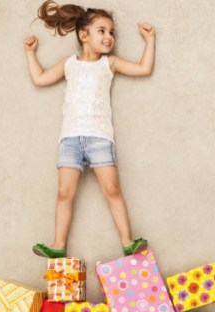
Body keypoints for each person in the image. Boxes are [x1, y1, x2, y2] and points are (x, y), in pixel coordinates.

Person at [24, 2, 155, 258]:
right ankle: (58, 246)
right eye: (102, 31)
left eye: (111, 33)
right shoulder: (69, 64)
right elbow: (40, 79)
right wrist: (30, 53)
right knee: (64, 193)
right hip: (70, 139)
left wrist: (149, 40)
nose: (109, 38)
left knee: (112, 189)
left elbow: (143, 68)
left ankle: (128, 241)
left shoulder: (110, 64)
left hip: (99, 138)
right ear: (84, 35)